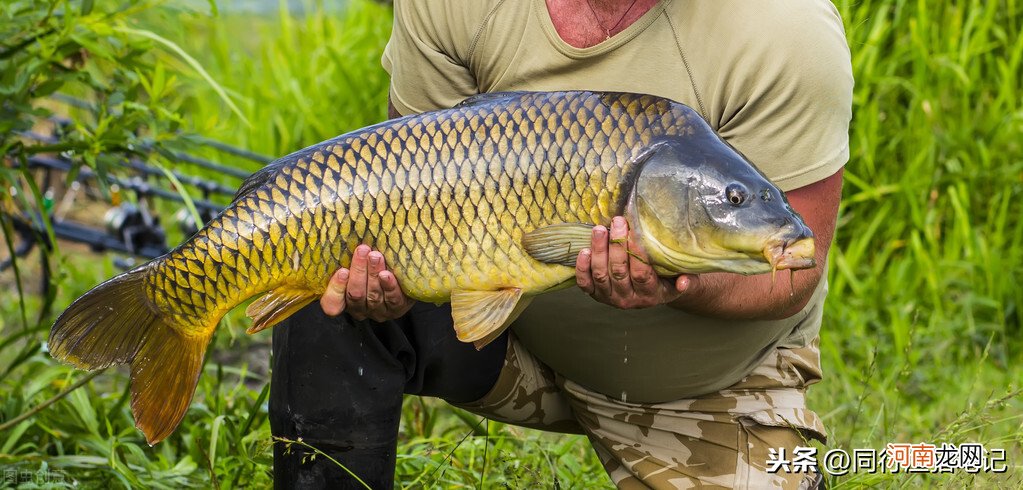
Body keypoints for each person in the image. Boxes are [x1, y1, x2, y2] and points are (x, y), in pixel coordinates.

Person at [269, 0, 853, 488]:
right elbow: (406, 186)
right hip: (512, 338)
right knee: (328, 276)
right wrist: (392, 274)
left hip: (705, 385)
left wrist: (675, 284)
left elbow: (795, 268)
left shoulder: (785, 31)